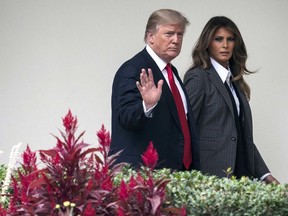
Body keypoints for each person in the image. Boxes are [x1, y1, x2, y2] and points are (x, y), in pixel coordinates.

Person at [184, 16, 279, 183]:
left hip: (240, 175)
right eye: (218, 39)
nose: (225, 45)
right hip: (209, 178)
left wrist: (265, 175)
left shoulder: (235, 81)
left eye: (230, 39)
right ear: (207, 43)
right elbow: (185, 130)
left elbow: (241, 136)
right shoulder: (198, 78)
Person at [110, 9, 199, 171]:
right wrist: (146, 105)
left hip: (175, 173)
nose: (176, 40)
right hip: (144, 176)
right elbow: (126, 117)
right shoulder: (133, 69)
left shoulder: (172, 73)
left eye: (180, 35)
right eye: (169, 34)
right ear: (151, 37)